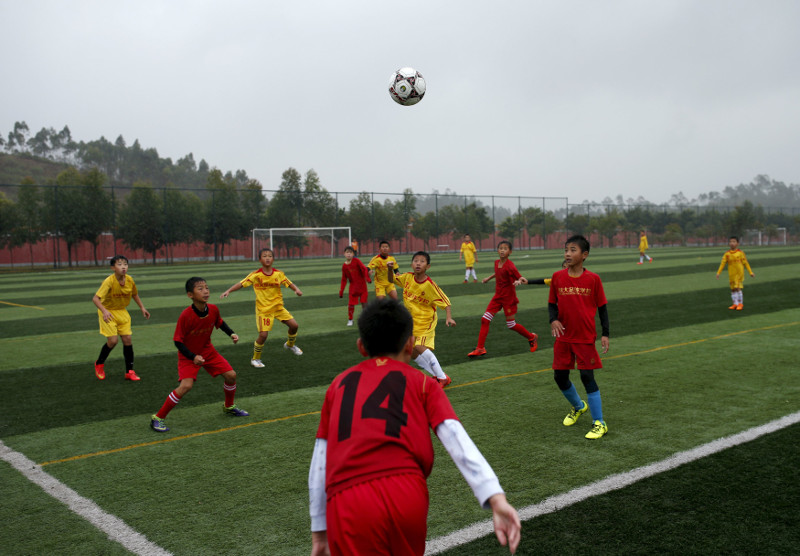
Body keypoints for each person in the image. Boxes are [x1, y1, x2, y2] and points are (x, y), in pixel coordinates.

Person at [308, 298, 521, 556]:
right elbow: (455, 436)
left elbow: (320, 460)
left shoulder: (338, 385)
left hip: (347, 498)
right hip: (405, 492)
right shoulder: (423, 383)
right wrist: (494, 495)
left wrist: (319, 529)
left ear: (361, 347)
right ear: (410, 345)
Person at [150, 277, 248, 433]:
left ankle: (229, 406)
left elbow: (220, 322)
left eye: (207, 288)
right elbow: (178, 342)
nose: (205, 291)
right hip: (188, 355)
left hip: (208, 351)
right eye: (200, 289)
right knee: (186, 386)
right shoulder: (185, 316)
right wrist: (192, 357)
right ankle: (158, 418)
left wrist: (232, 333)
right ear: (190, 295)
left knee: (231, 375)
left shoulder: (213, 309)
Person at [549, 235, 610, 440]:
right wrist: (553, 320)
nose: (567, 253)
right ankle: (578, 406)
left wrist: (605, 334)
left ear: (584, 255)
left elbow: (602, 308)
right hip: (563, 337)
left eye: (573, 250)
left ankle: (599, 423)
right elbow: (551, 304)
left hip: (584, 337)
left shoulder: (593, 279)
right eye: (566, 249)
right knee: (560, 376)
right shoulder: (557, 277)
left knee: (586, 377)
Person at [220, 248, 304, 368]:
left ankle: (290, 345)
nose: (267, 258)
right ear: (260, 260)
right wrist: (228, 290)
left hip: (278, 307)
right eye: (264, 256)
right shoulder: (255, 275)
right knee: (263, 335)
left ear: (273, 259)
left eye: (270, 256)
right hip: (264, 310)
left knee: (294, 326)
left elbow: (289, 283)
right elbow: (241, 283)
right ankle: (255, 359)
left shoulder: (278, 274)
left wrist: (296, 290)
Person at [387, 251, 455, 386]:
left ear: (427, 267)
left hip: (426, 321)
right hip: (412, 321)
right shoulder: (407, 278)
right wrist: (390, 269)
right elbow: (391, 280)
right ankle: (438, 375)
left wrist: (448, 317)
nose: (418, 263)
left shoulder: (429, 285)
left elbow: (445, 301)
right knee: (411, 351)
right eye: (416, 261)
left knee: (419, 346)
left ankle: (442, 378)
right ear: (412, 264)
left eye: (422, 261)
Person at [467, 241, 538, 358]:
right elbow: (497, 272)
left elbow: (520, 277)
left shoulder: (510, 266)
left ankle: (531, 337)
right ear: (497, 250)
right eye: (500, 248)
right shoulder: (496, 263)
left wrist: (518, 281)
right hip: (497, 297)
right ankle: (480, 348)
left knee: (511, 325)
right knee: (485, 319)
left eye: (505, 248)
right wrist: (488, 279)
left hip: (508, 299)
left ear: (510, 252)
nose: (502, 250)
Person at [92, 255, 150, 381]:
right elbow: (95, 299)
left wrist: (142, 308)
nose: (123, 267)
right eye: (119, 264)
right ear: (113, 267)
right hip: (107, 312)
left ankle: (129, 371)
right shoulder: (109, 281)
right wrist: (104, 311)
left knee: (127, 339)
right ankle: (99, 363)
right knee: (113, 341)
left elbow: (134, 294)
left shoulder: (129, 280)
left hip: (122, 312)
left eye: (125, 264)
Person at [716, 236, 754, 310]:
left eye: (734, 242)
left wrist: (750, 272)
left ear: (737, 243)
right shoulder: (727, 254)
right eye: (730, 242)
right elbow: (722, 263)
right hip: (731, 274)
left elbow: (746, 263)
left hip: (739, 273)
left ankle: (740, 304)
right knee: (733, 289)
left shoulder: (740, 253)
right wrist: (718, 272)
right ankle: (735, 304)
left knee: (737, 288)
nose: (732, 243)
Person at [339, 245, 371, 326]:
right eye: (347, 252)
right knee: (351, 304)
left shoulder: (357, 261)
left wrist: (367, 278)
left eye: (350, 252)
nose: (349, 254)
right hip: (353, 288)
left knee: (364, 303)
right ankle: (350, 319)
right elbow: (344, 279)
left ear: (353, 254)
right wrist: (341, 290)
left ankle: (366, 318)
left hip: (362, 286)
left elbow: (364, 269)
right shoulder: (344, 266)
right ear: (344, 254)